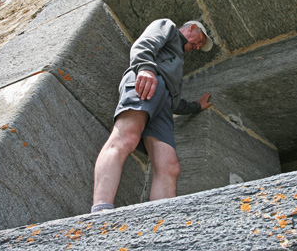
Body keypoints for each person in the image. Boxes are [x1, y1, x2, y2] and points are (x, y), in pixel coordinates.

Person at [91, 19, 213, 213]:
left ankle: (159, 223)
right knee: (126, 138)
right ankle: (101, 211)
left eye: (200, 46)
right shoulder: (168, 26)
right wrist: (145, 67)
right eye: (200, 40)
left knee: (170, 165)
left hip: (163, 102)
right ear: (192, 27)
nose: (198, 46)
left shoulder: (178, 59)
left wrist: (197, 106)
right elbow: (144, 43)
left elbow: (175, 103)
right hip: (147, 79)